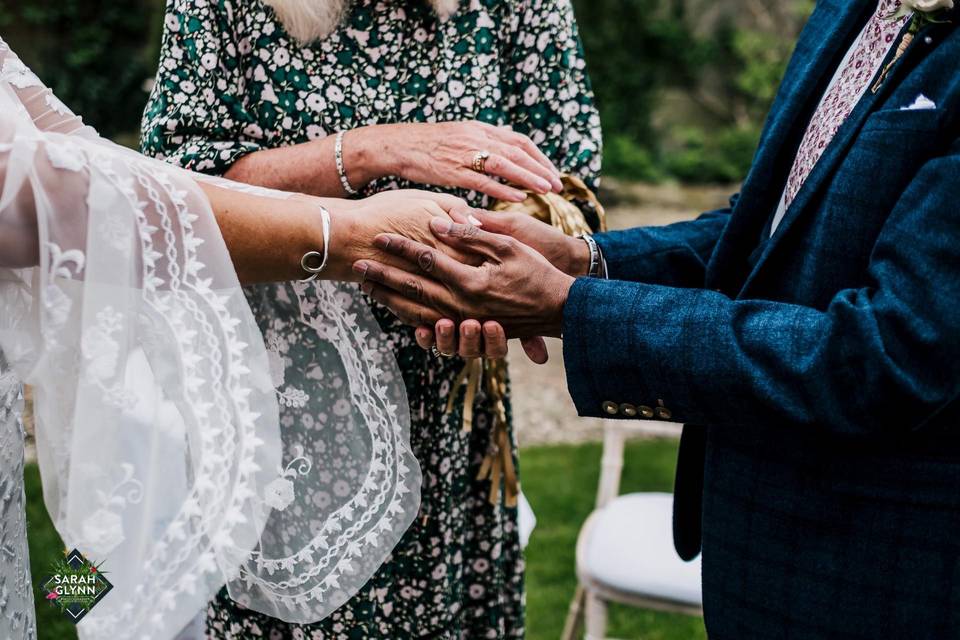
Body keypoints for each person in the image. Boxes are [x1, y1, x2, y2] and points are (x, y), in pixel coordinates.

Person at [355, 0, 960, 637]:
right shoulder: (849, 9)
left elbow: (883, 354)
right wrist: (588, 260)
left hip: (884, 573)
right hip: (756, 550)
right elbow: (765, 230)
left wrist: (570, 307)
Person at [141, 0, 601, 637]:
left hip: (453, 420)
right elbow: (172, 192)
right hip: (276, 415)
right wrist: (374, 152)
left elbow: (571, 192)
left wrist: (486, 275)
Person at [0, 38, 485, 640]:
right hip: (217, 347)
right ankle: (84, 603)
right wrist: (350, 230)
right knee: (119, 529)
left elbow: (83, 155)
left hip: (361, 368)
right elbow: (43, 190)